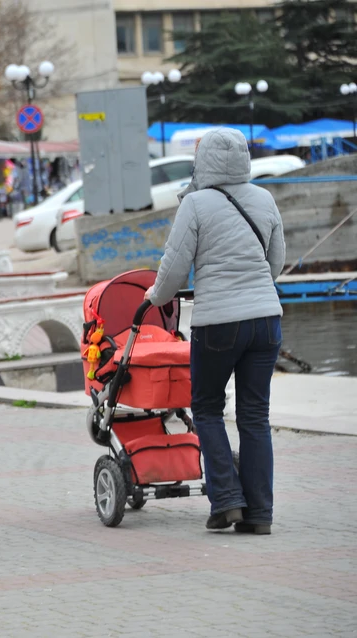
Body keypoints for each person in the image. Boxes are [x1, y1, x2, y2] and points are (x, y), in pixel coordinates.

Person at [146, 128, 286, 535]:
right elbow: (274, 264)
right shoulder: (264, 198)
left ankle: (226, 501)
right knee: (255, 416)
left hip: (219, 324)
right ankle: (259, 512)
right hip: (266, 321)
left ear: (203, 159)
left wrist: (155, 297)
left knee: (206, 408)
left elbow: (172, 272)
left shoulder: (195, 203)